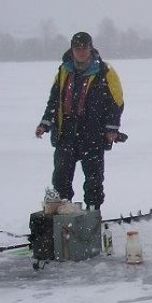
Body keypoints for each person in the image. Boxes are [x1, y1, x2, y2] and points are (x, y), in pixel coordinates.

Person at [35, 31, 124, 210]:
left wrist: (111, 128)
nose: (81, 52)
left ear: (91, 49)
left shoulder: (105, 71)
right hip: (66, 133)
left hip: (93, 133)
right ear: (72, 50)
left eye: (84, 48)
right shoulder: (63, 70)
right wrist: (45, 123)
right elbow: (54, 100)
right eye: (77, 49)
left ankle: (92, 211)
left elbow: (116, 102)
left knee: (94, 179)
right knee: (61, 177)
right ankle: (64, 212)